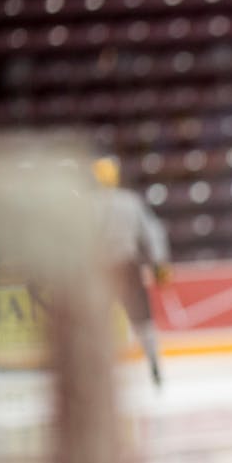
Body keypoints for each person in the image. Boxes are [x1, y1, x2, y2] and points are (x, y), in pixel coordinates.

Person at [92, 156, 171, 385]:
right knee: (143, 318)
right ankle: (154, 363)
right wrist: (159, 262)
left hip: (101, 270)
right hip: (128, 266)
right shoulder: (130, 202)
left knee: (99, 320)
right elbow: (152, 232)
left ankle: (100, 369)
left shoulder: (86, 205)